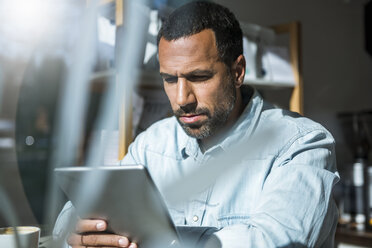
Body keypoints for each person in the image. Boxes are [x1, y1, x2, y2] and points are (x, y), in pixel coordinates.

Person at [53, 1, 339, 247]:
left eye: (199, 77)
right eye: (169, 79)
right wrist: (82, 232)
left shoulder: (303, 144)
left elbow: (272, 242)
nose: (182, 99)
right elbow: (79, 209)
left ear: (237, 71)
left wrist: (160, 239)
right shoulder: (152, 144)